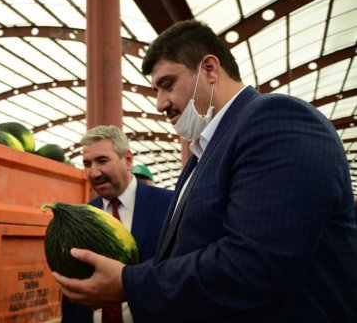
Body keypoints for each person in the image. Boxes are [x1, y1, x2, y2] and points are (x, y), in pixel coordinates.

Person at [53, 20, 357, 322]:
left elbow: (253, 265)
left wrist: (128, 282)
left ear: (210, 69)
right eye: (156, 90)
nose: (160, 104)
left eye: (168, 84)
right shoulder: (205, 153)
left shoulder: (277, 119)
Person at [61, 126, 173, 323]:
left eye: (102, 161)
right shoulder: (81, 216)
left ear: (128, 160)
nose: (94, 173)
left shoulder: (169, 205)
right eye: (87, 164)